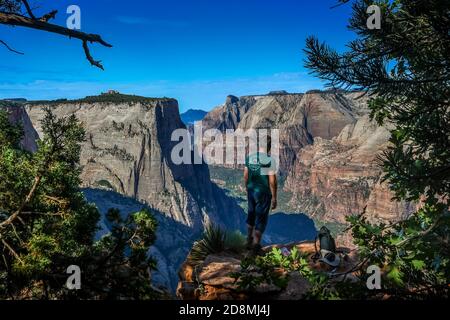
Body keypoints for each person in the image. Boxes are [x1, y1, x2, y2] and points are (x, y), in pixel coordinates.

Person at [244, 135, 277, 254]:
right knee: (260, 219)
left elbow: (246, 175)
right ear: (269, 147)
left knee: (251, 215)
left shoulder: (250, 158)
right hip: (263, 193)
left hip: (251, 191)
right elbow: (272, 180)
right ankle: (255, 246)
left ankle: (248, 240)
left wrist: (247, 188)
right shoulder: (269, 160)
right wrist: (274, 197)